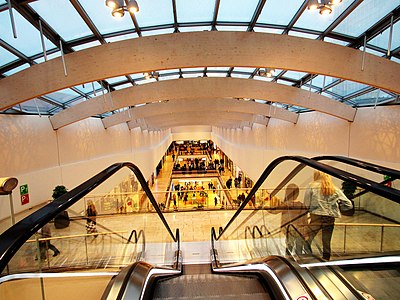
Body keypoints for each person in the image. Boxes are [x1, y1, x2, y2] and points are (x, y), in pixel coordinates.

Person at [304, 170, 353, 261]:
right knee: (326, 242)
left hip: (316, 216)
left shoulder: (311, 186)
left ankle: (308, 258)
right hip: (329, 218)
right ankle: (326, 260)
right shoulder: (334, 188)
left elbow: (306, 204)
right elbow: (349, 204)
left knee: (308, 239)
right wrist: (339, 208)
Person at [272, 184, 308, 255]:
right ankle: (299, 264)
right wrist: (305, 232)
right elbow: (305, 219)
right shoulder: (302, 205)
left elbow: (274, 211)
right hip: (300, 229)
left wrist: (265, 207)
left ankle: (289, 262)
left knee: (289, 247)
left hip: (289, 228)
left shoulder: (286, 204)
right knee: (299, 249)